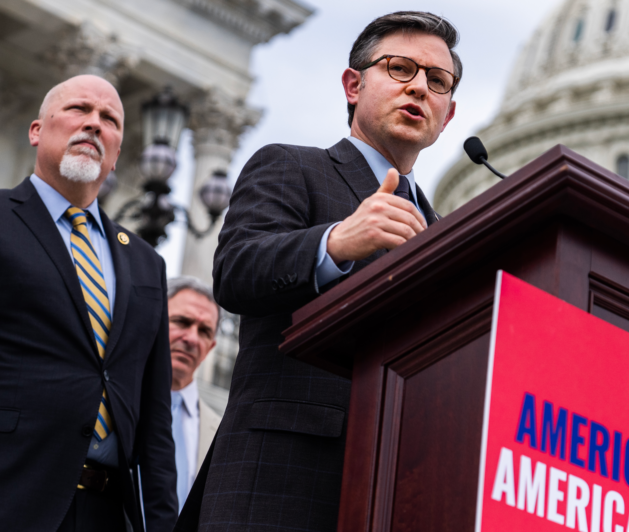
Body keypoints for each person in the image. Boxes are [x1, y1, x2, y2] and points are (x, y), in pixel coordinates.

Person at [175, 11, 460, 531]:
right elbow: (236, 271)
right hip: (283, 484)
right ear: (353, 85)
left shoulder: (446, 234)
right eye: (400, 69)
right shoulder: (291, 166)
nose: (419, 87)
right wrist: (335, 243)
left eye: (436, 81)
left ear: (450, 112)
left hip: (399, 489)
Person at [0, 75, 177, 532]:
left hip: (105, 513)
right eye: (79, 109)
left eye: (110, 119)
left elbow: (154, 419)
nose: (94, 124)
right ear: (37, 130)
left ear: (115, 156)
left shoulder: (146, 263)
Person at [165, 277, 223, 512]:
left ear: (210, 347)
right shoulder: (111, 406)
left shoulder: (222, 432)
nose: (191, 338)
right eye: (181, 321)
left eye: (204, 331)